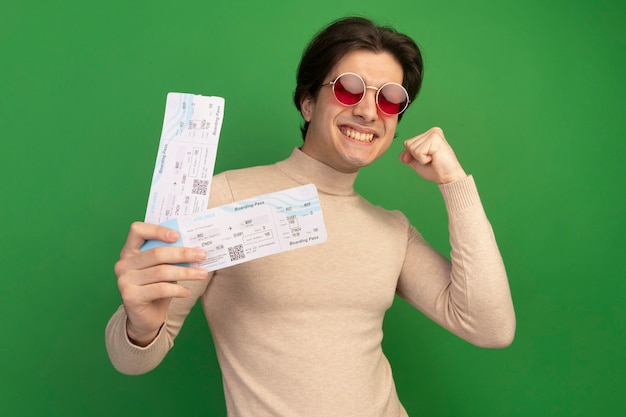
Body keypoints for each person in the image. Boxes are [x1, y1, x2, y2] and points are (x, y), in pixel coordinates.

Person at [106, 16, 515, 417]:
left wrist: (455, 183)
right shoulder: (223, 197)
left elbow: (490, 327)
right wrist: (140, 328)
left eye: (389, 98)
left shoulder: (392, 230)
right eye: (349, 89)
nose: (369, 112)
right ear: (307, 103)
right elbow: (133, 359)